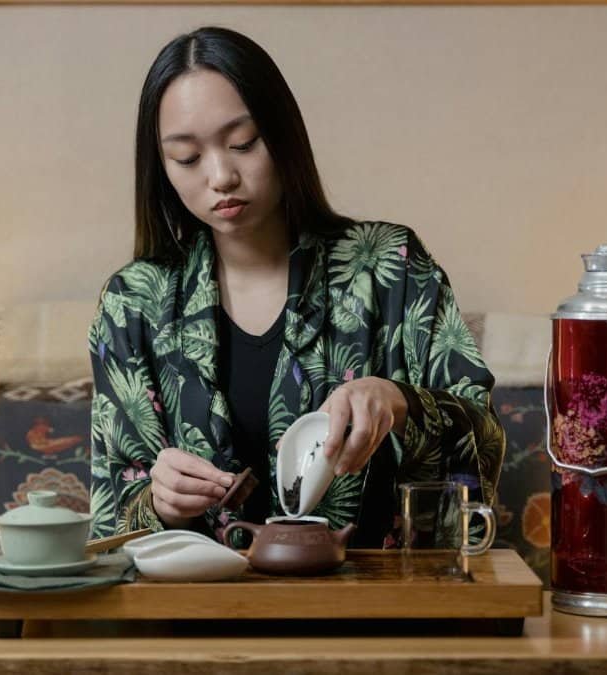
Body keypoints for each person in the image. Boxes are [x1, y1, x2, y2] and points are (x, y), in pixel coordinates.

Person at [88, 26, 505, 548]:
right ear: (161, 168)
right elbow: (111, 512)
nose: (221, 176)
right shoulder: (135, 304)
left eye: (243, 143)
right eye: (187, 158)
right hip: (202, 615)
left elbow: (482, 439)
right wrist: (158, 502)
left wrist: (399, 401)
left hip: (373, 605)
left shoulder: (390, 267)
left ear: (283, 135)